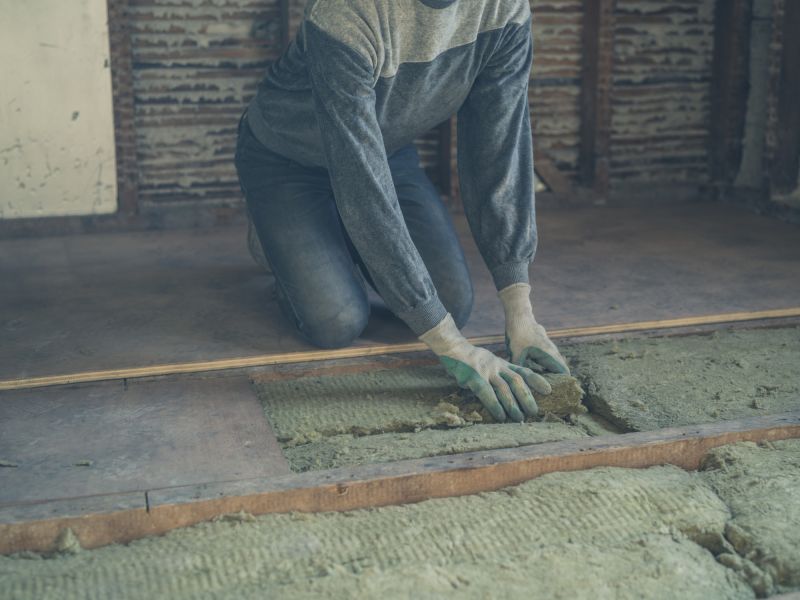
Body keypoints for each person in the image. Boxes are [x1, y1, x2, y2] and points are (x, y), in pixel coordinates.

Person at [235, 0, 569, 423]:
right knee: (335, 322)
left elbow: (499, 151)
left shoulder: (503, 8)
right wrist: (453, 348)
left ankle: (332, 235)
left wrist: (520, 312)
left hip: (385, 151)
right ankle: (277, 235)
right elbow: (361, 184)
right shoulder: (346, 12)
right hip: (288, 159)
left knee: (450, 302)